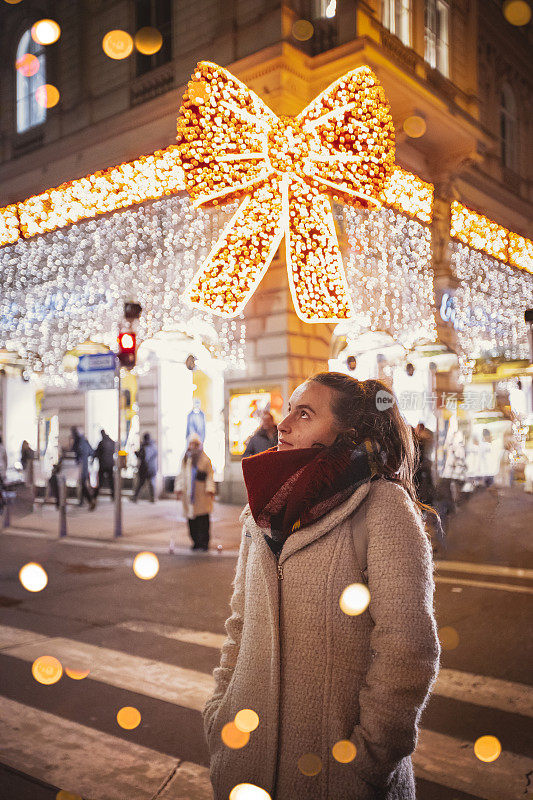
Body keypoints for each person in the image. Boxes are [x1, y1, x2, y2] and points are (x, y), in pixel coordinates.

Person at [203, 373, 441, 800]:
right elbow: (240, 624)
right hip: (245, 766)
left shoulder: (382, 506)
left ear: (344, 434)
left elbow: (408, 650)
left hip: (335, 780)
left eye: (305, 414)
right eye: (290, 409)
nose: (284, 423)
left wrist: (364, 766)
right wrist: (220, 713)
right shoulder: (262, 512)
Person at [175, 432, 216, 551]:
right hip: (189, 495)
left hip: (201, 494)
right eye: (191, 444)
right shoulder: (185, 459)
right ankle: (195, 541)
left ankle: (204, 542)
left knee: (203, 519)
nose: (193, 446)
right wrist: (179, 488)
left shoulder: (205, 458)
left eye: (195, 444)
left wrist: (210, 489)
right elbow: (181, 475)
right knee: (191, 519)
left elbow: (210, 475)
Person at [70, 426, 95, 510]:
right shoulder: (84, 441)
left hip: (81, 466)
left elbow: (74, 450)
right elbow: (91, 452)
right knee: (83, 484)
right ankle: (83, 501)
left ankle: (90, 500)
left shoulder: (79, 442)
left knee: (83, 484)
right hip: (85, 465)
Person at [131, 432, 158, 502]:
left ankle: (135, 497)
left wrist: (135, 452)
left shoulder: (144, 446)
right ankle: (152, 498)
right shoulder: (154, 446)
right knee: (151, 483)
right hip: (152, 468)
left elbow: (142, 456)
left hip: (145, 468)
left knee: (140, 484)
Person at [93, 429, 115, 501]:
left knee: (100, 481)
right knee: (111, 481)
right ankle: (113, 496)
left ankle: (95, 496)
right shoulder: (112, 442)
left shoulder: (101, 443)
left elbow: (96, 453)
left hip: (103, 464)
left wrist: (94, 457)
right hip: (110, 464)